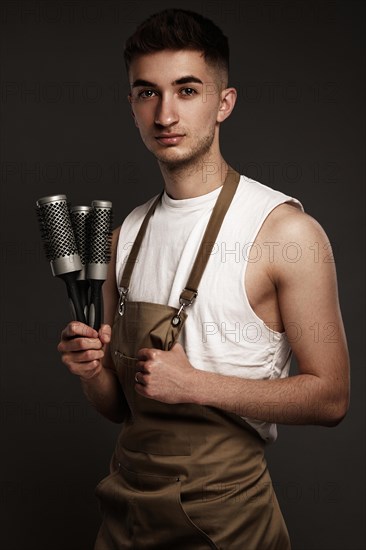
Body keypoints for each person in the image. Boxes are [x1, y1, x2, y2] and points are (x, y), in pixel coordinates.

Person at [57, 8, 350, 550]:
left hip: (226, 522)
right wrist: (90, 369)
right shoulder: (124, 236)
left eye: (186, 90)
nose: (165, 113)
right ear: (132, 106)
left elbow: (331, 398)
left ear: (223, 103)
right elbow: (119, 408)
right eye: (147, 93)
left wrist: (197, 386)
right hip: (124, 513)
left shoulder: (286, 231)